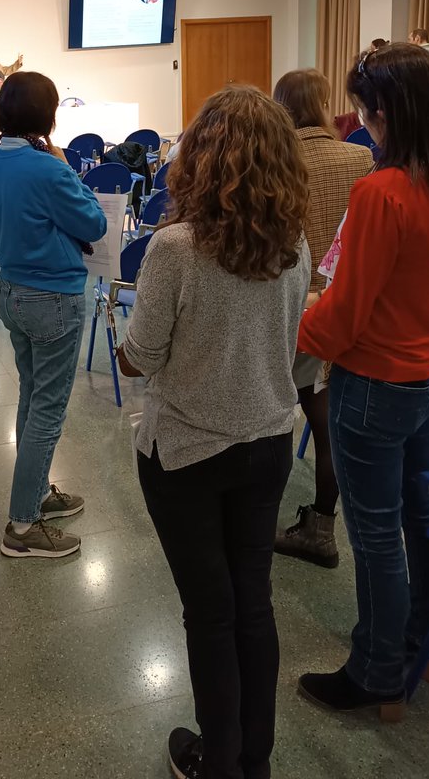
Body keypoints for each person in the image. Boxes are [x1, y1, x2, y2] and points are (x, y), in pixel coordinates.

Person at [116, 86, 310, 779]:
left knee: (211, 612)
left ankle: (218, 762)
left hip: (187, 454)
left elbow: (142, 356)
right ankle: (252, 760)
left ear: (197, 158)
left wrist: (124, 343)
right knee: (252, 604)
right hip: (267, 443)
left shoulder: (174, 249)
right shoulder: (295, 243)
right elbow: (291, 346)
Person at [296, 44, 429, 719]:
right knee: (422, 511)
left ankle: (374, 671)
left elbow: (347, 311)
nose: (362, 121)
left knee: (373, 534)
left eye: (368, 111)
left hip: (375, 381)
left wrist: (296, 337)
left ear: (387, 114)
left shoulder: (380, 194)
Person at [0, 72, 107, 560]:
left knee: (32, 399)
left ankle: (36, 494)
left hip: (12, 294)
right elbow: (94, 222)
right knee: (47, 410)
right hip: (54, 299)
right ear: (47, 117)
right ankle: (22, 526)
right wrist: (68, 169)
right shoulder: (50, 169)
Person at [272, 69, 373, 567]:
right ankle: (321, 527)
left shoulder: (273, 157)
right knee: (326, 422)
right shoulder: (361, 158)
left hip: (280, 302)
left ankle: (255, 517)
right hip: (339, 305)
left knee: (266, 419)